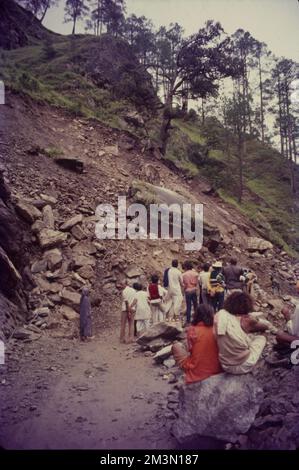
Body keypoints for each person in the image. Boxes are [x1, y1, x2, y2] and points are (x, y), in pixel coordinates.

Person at [214, 292, 267, 374]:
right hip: (242, 365)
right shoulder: (244, 321)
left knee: (248, 338)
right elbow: (264, 326)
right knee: (261, 338)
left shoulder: (219, 315)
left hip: (224, 364)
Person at [172, 304, 222, 384]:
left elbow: (191, 350)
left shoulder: (192, 330)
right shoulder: (217, 328)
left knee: (176, 346)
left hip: (198, 371)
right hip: (217, 369)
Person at [118, 279, 136, 344]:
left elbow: (126, 302)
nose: (121, 286)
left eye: (122, 284)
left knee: (123, 324)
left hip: (125, 309)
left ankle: (122, 338)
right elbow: (135, 300)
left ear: (125, 284)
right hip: (133, 308)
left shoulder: (124, 291)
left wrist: (128, 311)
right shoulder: (133, 290)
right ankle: (131, 338)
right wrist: (132, 307)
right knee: (131, 324)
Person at [182, 261, 199, 325]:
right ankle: (196, 319)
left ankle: (188, 321)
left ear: (186, 267)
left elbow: (184, 285)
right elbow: (197, 283)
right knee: (195, 306)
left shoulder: (183, 275)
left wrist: (183, 291)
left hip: (187, 291)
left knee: (188, 306)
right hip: (194, 290)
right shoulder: (195, 273)